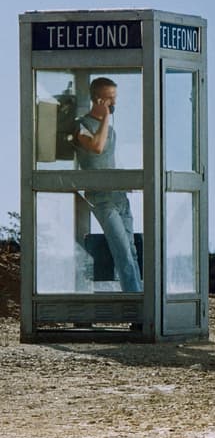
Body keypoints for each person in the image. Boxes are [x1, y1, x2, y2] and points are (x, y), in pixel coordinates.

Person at [74, 77, 143, 292]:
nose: (114, 103)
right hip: (101, 198)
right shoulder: (81, 125)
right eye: (110, 99)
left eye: (115, 98)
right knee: (121, 250)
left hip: (119, 195)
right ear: (98, 99)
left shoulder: (111, 131)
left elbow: (110, 161)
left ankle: (138, 298)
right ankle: (135, 302)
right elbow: (96, 147)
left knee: (131, 250)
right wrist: (104, 118)